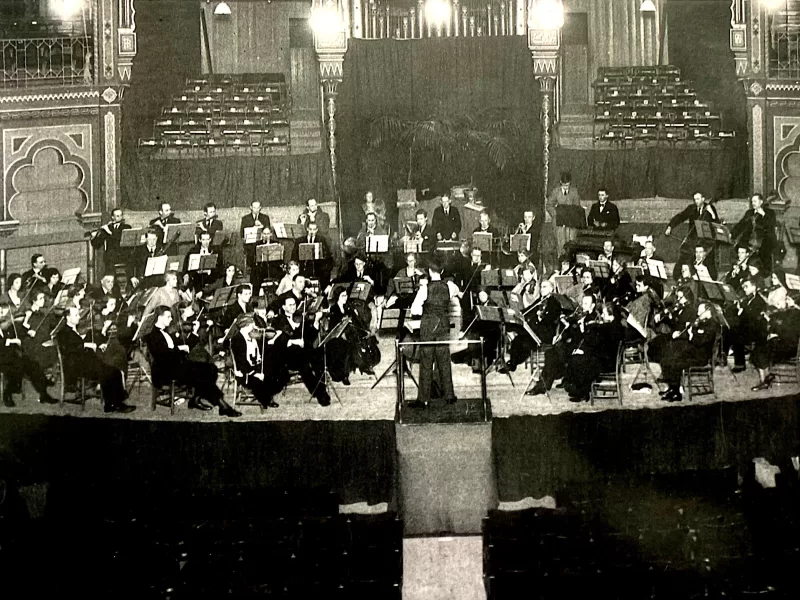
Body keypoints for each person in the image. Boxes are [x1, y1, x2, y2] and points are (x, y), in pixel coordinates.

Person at [145, 305, 240, 417]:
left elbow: (185, 347)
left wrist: (194, 332)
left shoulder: (166, 332)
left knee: (211, 369)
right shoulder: (152, 335)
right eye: (168, 317)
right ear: (159, 317)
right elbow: (164, 355)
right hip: (164, 371)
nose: (171, 319)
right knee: (201, 375)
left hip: (176, 366)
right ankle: (222, 405)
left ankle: (196, 399)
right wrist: (179, 349)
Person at [55, 306, 134, 413]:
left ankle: (111, 403)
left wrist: (89, 342)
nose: (79, 317)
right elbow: (70, 349)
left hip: (85, 362)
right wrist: (86, 344)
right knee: (110, 371)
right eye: (76, 315)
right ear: (68, 318)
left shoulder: (73, 330)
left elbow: (76, 343)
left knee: (113, 370)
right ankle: (115, 404)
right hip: (76, 366)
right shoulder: (63, 332)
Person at [408, 257, 458, 407]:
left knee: (426, 361)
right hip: (443, 325)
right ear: (442, 271)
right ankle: (449, 395)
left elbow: (415, 310)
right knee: (444, 360)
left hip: (428, 326)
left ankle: (424, 399)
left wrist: (427, 308)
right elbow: (456, 294)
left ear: (429, 271)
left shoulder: (425, 288)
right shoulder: (450, 286)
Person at [271, 295, 331, 406]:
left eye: (294, 304)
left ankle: (320, 390)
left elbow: (310, 336)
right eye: (290, 305)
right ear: (284, 307)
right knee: (304, 366)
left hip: (302, 352)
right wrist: (295, 341)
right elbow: (280, 341)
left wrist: (316, 322)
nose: (293, 307)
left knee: (319, 358)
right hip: (287, 356)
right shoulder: (278, 320)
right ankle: (319, 393)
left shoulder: (301, 319)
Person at [562, 301, 625, 402]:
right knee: (581, 358)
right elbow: (599, 345)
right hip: (610, 359)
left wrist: (584, 332)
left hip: (607, 363)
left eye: (604, 314)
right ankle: (580, 389)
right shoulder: (616, 326)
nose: (602, 316)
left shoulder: (608, 328)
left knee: (579, 360)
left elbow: (596, 343)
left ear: (611, 316)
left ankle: (582, 392)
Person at [658, 302, 720, 402]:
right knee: (669, 355)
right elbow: (696, 336)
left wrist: (691, 334)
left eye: (700, 311)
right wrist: (689, 331)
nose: (698, 313)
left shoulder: (712, 325)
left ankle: (676, 393)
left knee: (675, 362)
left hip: (701, 358)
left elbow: (700, 341)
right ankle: (672, 388)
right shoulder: (703, 322)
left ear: (708, 311)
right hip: (694, 352)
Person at [0, 301, 57, 407]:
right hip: (2, 359)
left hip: (12, 357)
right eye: (1, 313)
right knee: (17, 367)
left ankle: (43, 394)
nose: (3, 316)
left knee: (33, 365)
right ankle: (7, 394)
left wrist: (25, 331)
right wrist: (9, 342)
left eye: (4, 313)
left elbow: (20, 333)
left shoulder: (8, 328)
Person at [750, 290, 800, 391]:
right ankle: (766, 378)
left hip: (790, 347)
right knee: (761, 347)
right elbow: (782, 325)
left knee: (760, 350)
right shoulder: (792, 312)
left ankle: (765, 380)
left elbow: (789, 332)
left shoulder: (796, 314)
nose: (786, 301)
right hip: (784, 342)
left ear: (795, 301)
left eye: (788, 299)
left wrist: (776, 333)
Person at [230, 315, 281, 408]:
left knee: (275, 370)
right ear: (245, 327)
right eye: (252, 326)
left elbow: (261, 351)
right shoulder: (237, 340)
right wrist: (254, 373)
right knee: (260, 379)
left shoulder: (252, 335)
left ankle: (268, 394)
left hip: (255, 365)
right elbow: (241, 362)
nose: (254, 328)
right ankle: (266, 399)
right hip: (245, 372)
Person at [732, 193, 777, 275]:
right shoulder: (749, 212)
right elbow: (741, 224)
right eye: (752, 201)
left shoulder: (770, 212)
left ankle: (763, 273)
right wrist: (732, 234)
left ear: (761, 202)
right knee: (738, 247)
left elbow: (771, 225)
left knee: (764, 249)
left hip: (764, 239)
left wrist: (763, 214)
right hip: (750, 239)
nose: (753, 203)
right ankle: (743, 271)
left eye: (755, 201)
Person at [664, 192, 719, 258]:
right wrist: (670, 226)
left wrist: (712, 213)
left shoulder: (710, 208)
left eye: (698, 199)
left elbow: (716, 223)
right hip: (693, 239)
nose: (696, 201)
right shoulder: (691, 208)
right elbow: (681, 217)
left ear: (703, 199)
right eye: (695, 199)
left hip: (706, 240)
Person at [547, 171, 582, 253]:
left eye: (568, 185)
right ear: (560, 183)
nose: (566, 187)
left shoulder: (574, 191)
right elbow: (549, 205)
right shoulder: (555, 191)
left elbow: (577, 207)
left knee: (571, 244)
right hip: (559, 222)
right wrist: (555, 213)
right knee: (560, 244)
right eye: (564, 185)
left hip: (571, 223)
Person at [291, 222, 333, 287]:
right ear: (307, 229)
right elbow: (294, 255)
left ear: (317, 230)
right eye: (310, 229)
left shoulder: (321, 240)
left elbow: (327, 255)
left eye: (314, 229)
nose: (312, 232)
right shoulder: (299, 240)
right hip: (304, 268)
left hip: (317, 268)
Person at [90, 208, 131, 273]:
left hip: (122, 254)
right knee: (109, 256)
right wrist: (94, 236)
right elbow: (97, 245)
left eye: (121, 215)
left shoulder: (126, 227)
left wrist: (109, 232)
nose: (120, 217)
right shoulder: (108, 227)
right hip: (111, 256)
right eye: (117, 216)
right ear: (112, 217)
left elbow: (118, 239)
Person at [240, 200, 272, 274]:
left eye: (258, 208)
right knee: (252, 249)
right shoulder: (245, 219)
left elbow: (268, 230)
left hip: (262, 241)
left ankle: (263, 267)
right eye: (254, 207)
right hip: (250, 243)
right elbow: (242, 233)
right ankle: (253, 268)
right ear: (251, 207)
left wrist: (261, 225)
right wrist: (253, 227)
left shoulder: (265, 217)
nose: (256, 210)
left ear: (260, 208)